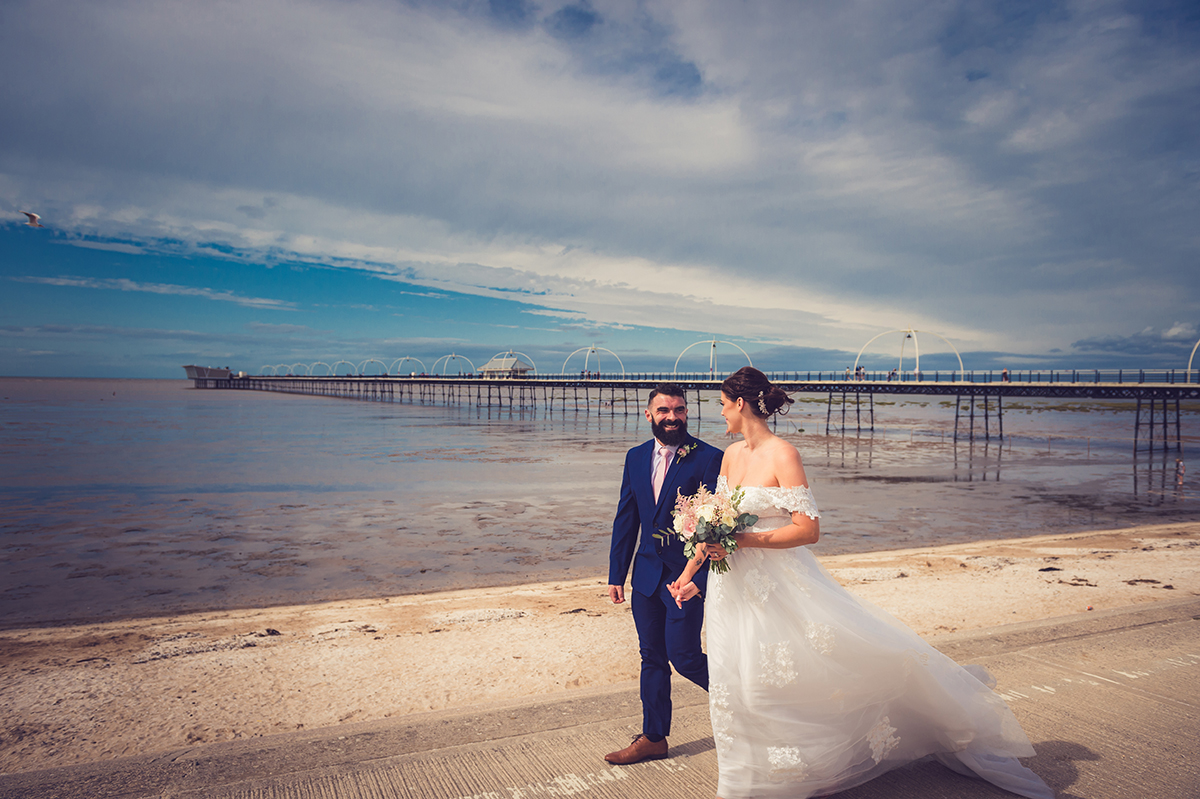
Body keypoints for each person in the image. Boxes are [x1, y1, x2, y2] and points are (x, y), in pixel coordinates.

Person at [669, 367, 1053, 799]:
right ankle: (751, 777)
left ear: (740, 404)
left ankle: (785, 774)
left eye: (722, 404)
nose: (720, 413)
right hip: (731, 588)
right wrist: (687, 575)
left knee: (781, 681)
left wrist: (744, 539)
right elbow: (714, 526)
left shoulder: (784, 454)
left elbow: (808, 530)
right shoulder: (730, 456)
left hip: (778, 585)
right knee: (735, 681)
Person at [605, 383, 723, 765]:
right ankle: (654, 737)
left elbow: (717, 528)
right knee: (651, 656)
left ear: (687, 413)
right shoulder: (635, 457)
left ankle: (744, 704)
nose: (672, 417)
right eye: (664, 411)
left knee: (685, 656)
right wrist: (616, 573)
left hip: (686, 580)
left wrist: (698, 581)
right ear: (649, 415)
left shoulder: (708, 458)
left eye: (680, 410)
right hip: (645, 577)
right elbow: (627, 518)